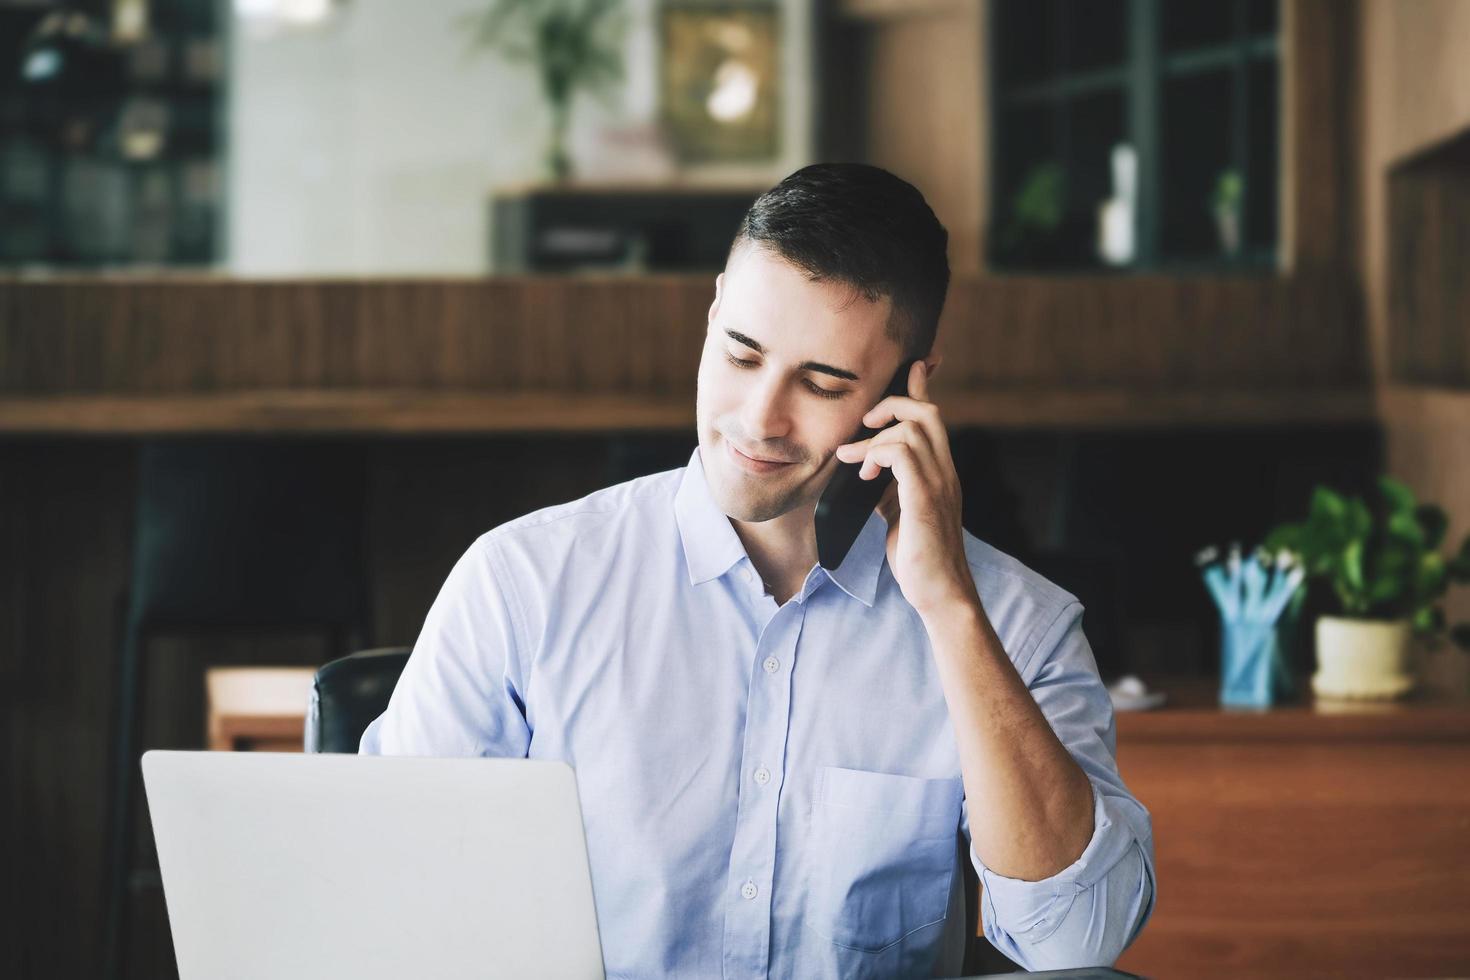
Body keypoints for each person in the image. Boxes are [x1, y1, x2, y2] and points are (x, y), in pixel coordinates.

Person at [360, 163, 1156, 978]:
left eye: (821, 381)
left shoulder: (1017, 624)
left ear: (907, 392)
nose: (759, 419)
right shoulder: (521, 584)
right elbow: (389, 895)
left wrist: (950, 610)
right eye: (741, 354)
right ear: (711, 314)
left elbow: (1077, 944)